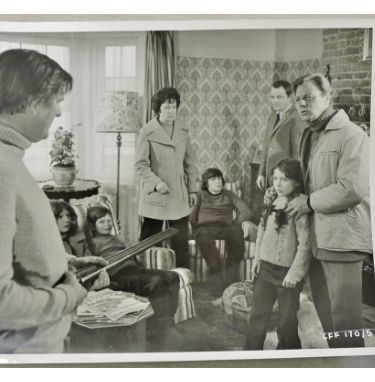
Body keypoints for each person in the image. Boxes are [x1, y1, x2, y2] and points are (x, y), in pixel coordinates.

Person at [0, 49, 108, 354]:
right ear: (28, 99)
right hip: (18, 354)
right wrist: (68, 296)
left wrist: (63, 263)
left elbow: (6, 248)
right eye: (56, 101)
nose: (58, 113)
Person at [286, 73, 372, 348]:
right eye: (298, 99)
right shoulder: (310, 134)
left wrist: (308, 203)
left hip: (343, 240)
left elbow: (352, 188)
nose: (302, 104)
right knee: (329, 321)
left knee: (346, 325)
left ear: (328, 96)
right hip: (318, 239)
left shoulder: (352, 135)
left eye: (308, 97)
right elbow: (312, 180)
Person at [78, 205, 183, 351]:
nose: (107, 224)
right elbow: (89, 264)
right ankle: (160, 331)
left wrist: (140, 266)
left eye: (109, 220)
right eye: (102, 222)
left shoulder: (118, 238)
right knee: (156, 282)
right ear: (92, 226)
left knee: (172, 276)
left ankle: (167, 322)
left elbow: (132, 255)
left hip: (135, 270)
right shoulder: (91, 243)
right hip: (118, 276)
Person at [245, 159, 311, 350]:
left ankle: (288, 359)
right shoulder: (272, 201)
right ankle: (250, 355)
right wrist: (257, 259)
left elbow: (305, 244)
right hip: (265, 269)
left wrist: (295, 274)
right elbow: (262, 232)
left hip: (287, 274)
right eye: (275, 178)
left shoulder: (299, 207)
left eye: (284, 179)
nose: (278, 184)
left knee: (287, 322)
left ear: (296, 182)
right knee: (257, 316)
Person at [135, 87, 198, 268]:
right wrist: (156, 183)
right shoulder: (147, 131)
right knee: (148, 243)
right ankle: (145, 280)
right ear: (158, 109)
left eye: (174, 107)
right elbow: (140, 165)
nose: (171, 111)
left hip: (178, 195)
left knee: (180, 244)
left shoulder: (183, 132)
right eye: (167, 107)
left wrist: (192, 189)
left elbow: (190, 165)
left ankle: (183, 281)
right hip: (156, 195)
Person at [189, 168, 252, 296]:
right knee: (204, 235)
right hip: (205, 229)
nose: (217, 182)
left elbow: (246, 211)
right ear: (206, 183)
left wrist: (236, 223)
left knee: (236, 232)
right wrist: (197, 228)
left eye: (219, 178)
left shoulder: (229, 194)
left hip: (224, 228)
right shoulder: (200, 195)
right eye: (213, 179)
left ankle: (232, 282)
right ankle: (216, 281)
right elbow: (192, 217)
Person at [256, 80, 306, 190]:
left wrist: (293, 182)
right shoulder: (273, 116)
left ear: (289, 97)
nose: (275, 101)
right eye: (272, 97)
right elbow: (266, 146)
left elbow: (297, 155)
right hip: (272, 176)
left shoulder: (297, 118)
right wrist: (261, 173)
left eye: (279, 97)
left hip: (286, 180)